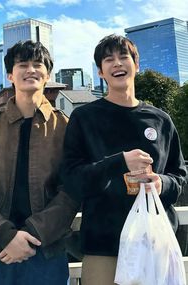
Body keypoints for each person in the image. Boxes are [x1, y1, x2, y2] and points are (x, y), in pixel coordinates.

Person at [62, 34, 187, 285]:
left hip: (155, 243)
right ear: (100, 72)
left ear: (136, 65)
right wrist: (119, 162)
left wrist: (161, 183)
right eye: (109, 60)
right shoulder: (84, 118)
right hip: (104, 246)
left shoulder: (160, 120)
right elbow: (72, 179)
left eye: (123, 57)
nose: (117, 63)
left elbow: (180, 174)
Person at [0, 40, 79, 285]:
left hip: (46, 249)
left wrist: (33, 233)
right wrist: (4, 235)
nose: (30, 70)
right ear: (10, 75)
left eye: (38, 65)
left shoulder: (66, 128)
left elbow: (72, 189)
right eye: (22, 65)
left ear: (47, 75)